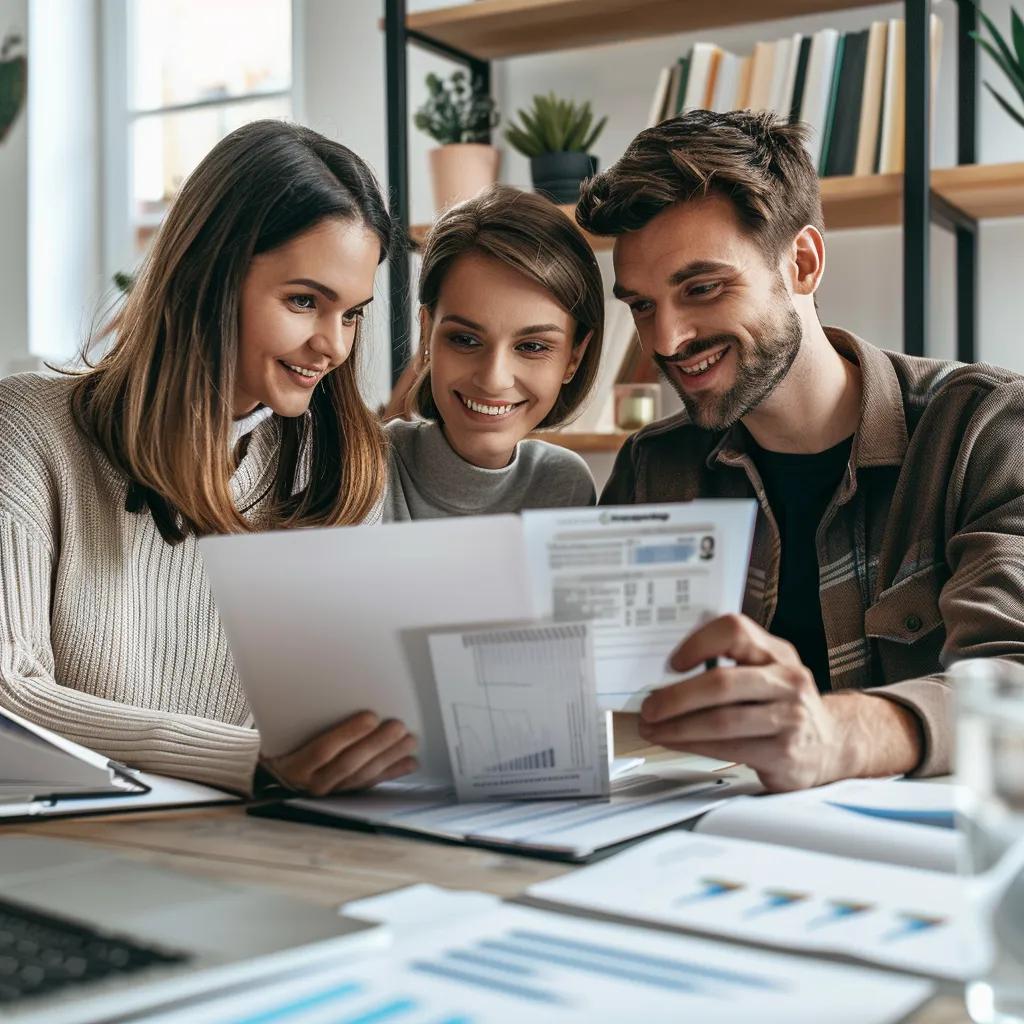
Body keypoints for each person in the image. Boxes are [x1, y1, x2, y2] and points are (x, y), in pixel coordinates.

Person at [577, 109, 1024, 792]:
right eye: (641, 305)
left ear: (804, 263)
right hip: (695, 847)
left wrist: (832, 734)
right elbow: (589, 696)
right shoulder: (653, 468)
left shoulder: (983, 430)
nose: (665, 340)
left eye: (702, 288)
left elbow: (1014, 684)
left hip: (929, 859)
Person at [0, 120, 419, 796]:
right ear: (210, 277)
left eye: (352, 314)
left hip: (269, 837)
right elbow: (8, 693)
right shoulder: (29, 432)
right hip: (75, 845)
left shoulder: (337, 468)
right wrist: (247, 759)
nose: (334, 346)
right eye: (305, 301)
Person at [383, 185, 603, 520]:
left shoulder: (565, 487)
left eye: (532, 347)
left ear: (574, 358)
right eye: (466, 340)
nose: (493, 379)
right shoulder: (365, 471)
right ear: (426, 332)